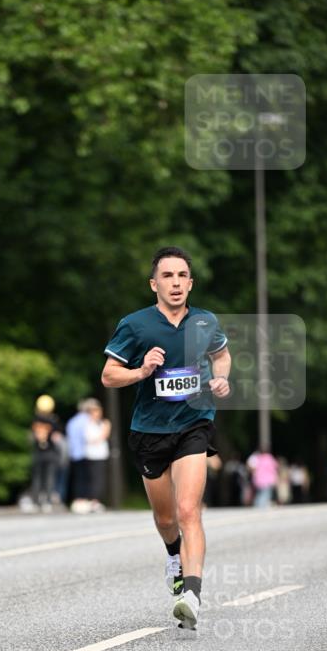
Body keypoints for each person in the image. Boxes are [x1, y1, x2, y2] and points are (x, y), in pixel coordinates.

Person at [101, 245, 231, 630]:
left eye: (181, 277)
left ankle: (191, 594)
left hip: (194, 423)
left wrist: (222, 377)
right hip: (150, 432)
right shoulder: (135, 325)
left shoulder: (206, 322)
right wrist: (142, 371)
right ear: (153, 284)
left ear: (190, 284)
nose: (175, 283)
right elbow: (109, 376)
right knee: (165, 518)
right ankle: (173, 556)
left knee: (190, 510)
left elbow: (221, 356)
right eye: (167, 276)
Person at [65, 400, 93, 513]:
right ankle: (84, 500)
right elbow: (87, 436)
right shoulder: (87, 420)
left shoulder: (72, 421)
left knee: (77, 478)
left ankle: (77, 500)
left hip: (73, 453)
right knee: (85, 478)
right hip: (85, 452)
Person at [84, 399, 111, 511]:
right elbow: (91, 439)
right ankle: (92, 500)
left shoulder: (102, 423)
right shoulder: (88, 424)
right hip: (91, 454)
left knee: (99, 479)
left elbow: (104, 435)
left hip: (101, 454)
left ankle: (96, 500)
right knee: (92, 479)